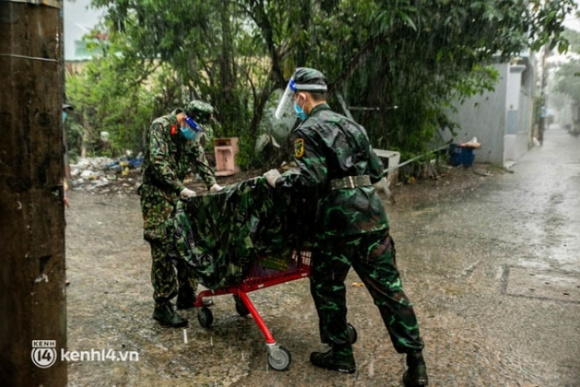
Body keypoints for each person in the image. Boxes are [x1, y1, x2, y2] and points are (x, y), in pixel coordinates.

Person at [263, 67, 428, 386]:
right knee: (389, 291)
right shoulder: (353, 126)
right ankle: (416, 363)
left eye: (296, 99)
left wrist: (279, 180)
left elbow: (312, 180)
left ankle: (341, 353)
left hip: (337, 221)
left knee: (327, 284)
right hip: (371, 216)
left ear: (301, 97)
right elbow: (378, 173)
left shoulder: (307, 130)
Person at [139, 100, 223, 327]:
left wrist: (212, 184)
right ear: (184, 119)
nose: (196, 136)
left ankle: (187, 292)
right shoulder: (161, 127)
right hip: (156, 195)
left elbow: (199, 158)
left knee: (188, 239)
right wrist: (180, 188)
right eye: (195, 130)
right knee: (163, 244)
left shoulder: (191, 135)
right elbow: (158, 162)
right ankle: (162, 305)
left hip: (177, 194)